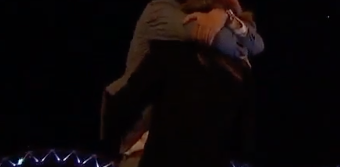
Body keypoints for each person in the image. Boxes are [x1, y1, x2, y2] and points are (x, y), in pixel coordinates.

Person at [101, 0, 264, 165]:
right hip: (142, 142)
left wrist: (226, 17)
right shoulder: (162, 10)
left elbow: (126, 104)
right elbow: (211, 36)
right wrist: (230, 26)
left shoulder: (170, 54)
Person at [103, 35, 256, 167]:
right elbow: (243, 144)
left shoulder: (169, 54)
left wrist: (113, 148)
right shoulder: (238, 77)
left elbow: (123, 105)